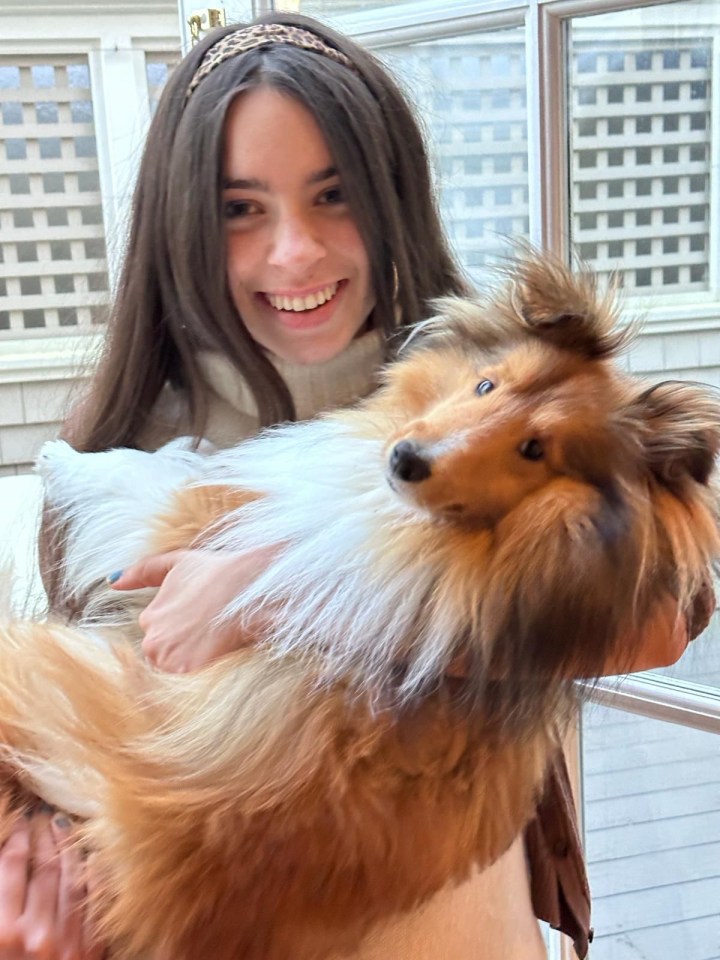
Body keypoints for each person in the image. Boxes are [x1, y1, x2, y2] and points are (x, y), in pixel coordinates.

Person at [4, 12, 710, 960]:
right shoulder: (103, 462)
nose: (294, 253)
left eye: (333, 197)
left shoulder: (490, 385)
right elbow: (81, 752)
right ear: (180, 223)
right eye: (239, 208)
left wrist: (282, 591)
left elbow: (661, 620)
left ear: (392, 199)